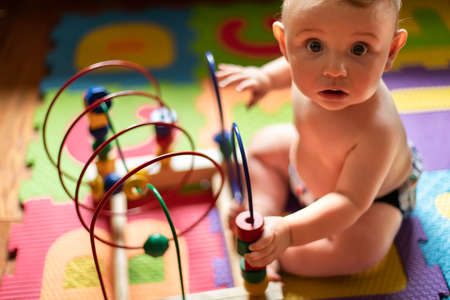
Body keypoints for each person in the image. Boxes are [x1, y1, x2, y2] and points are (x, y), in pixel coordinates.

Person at [217, 0, 422, 281]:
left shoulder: (378, 128)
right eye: (315, 45)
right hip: (305, 168)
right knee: (263, 146)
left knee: (361, 253)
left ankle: (271, 250)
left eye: (358, 49)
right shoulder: (309, 73)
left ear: (390, 51)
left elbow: (349, 200)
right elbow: (288, 68)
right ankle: (260, 217)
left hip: (368, 201)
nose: (334, 69)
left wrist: (289, 233)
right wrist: (264, 77)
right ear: (285, 44)